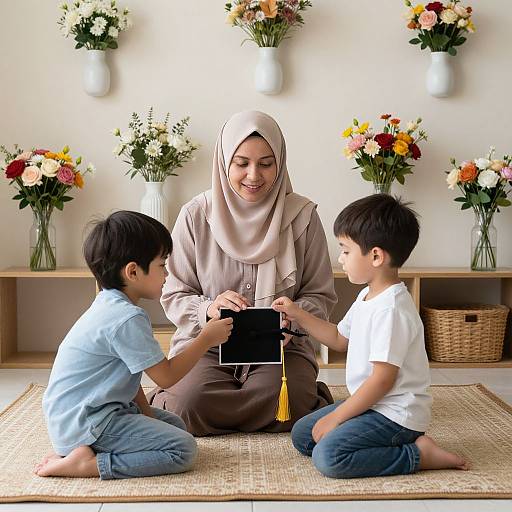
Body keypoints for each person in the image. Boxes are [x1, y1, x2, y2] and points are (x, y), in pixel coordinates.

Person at [148, 110, 337, 435]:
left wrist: (295, 317)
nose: (254, 175)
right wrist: (207, 309)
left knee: (286, 398)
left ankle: (295, 397)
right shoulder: (195, 215)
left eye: (266, 163)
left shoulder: (303, 217)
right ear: (224, 163)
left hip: (280, 347)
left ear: (280, 163)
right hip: (205, 344)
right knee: (189, 404)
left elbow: (320, 293)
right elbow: (174, 291)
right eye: (241, 163)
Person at [272, 194, 469, 478]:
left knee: (329, 457)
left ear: (376, 256)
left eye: (345, 251)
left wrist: (338, 417)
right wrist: (298, 313)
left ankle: (418, 454)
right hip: (372, 404)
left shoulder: (392, 310)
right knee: (303, 434)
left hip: (395, 415)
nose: (340, 259)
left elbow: (382, 380)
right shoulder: (367, 295)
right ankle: (377, 437)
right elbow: (339, 338)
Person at [36, 211, 233, 479]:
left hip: (81, 416)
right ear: (133, 271)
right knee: (183, 449)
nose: (167, 274)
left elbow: (130, 375)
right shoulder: (126, 318)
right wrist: (206, 338)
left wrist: (146, 413)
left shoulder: (109, 303)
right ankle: (88, 464)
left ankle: (75, 451)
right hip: (89, 423)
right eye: (162, 265)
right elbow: (166, 376)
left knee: (176, 424)